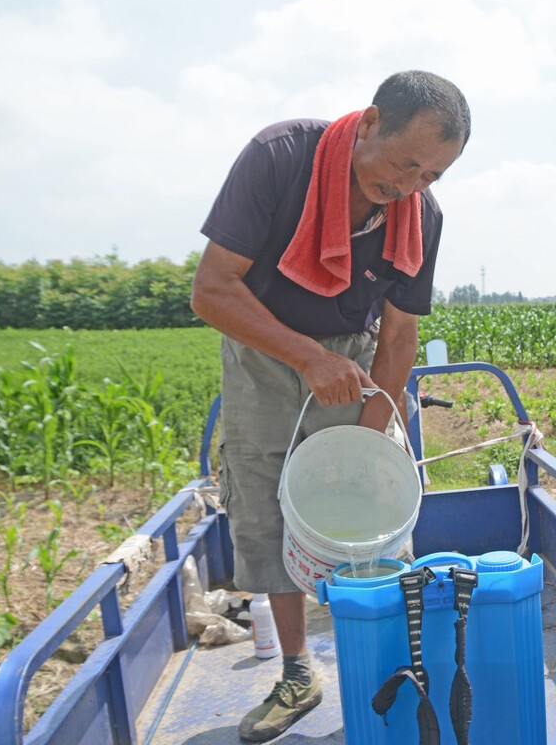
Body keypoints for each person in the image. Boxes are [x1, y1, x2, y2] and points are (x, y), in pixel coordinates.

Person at [190, 70, 470, 742]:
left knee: (377, 505)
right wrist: (307, 358)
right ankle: (297, 673)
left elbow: (398, 339)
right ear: (370, 123)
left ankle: (394, 668)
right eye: (405, 163)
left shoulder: (421, 216)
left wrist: (370, 439)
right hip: (263, 348)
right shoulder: (280, 158)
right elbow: (212, 290)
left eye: (432, 176)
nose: (410, 186)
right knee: (266, 505)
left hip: (358, 361)